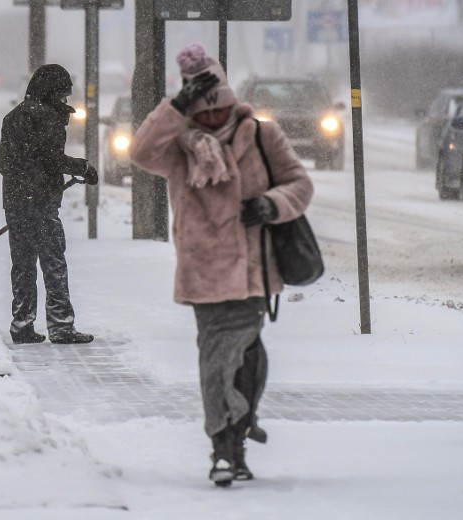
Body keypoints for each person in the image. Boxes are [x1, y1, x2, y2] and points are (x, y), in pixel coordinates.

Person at [129, 44, 314, 486]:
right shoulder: (179, 146)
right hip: (204, 273)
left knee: (245, 360)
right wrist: (175, 104)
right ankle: (224, 446)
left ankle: (236, 440)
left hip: (254, 271)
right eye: (202, 113)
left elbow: (299, 184)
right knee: (217, 363)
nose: (211, 119)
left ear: (232, 102)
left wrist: (272, 205)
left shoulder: (263, 136)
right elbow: (139, 151)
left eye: (219, 111)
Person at [0, 64, 98, 345]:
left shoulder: (13, 117)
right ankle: (61, 326)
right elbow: (52, 159)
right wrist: (84, 167)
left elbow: (4, 164)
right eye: (63, 95)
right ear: (51, 92)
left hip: (16, 203)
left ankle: (22, 325)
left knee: (23, 265)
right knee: (54, 264)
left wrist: (23, 186)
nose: (65, 101)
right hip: (40, 205)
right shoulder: (48, 118)